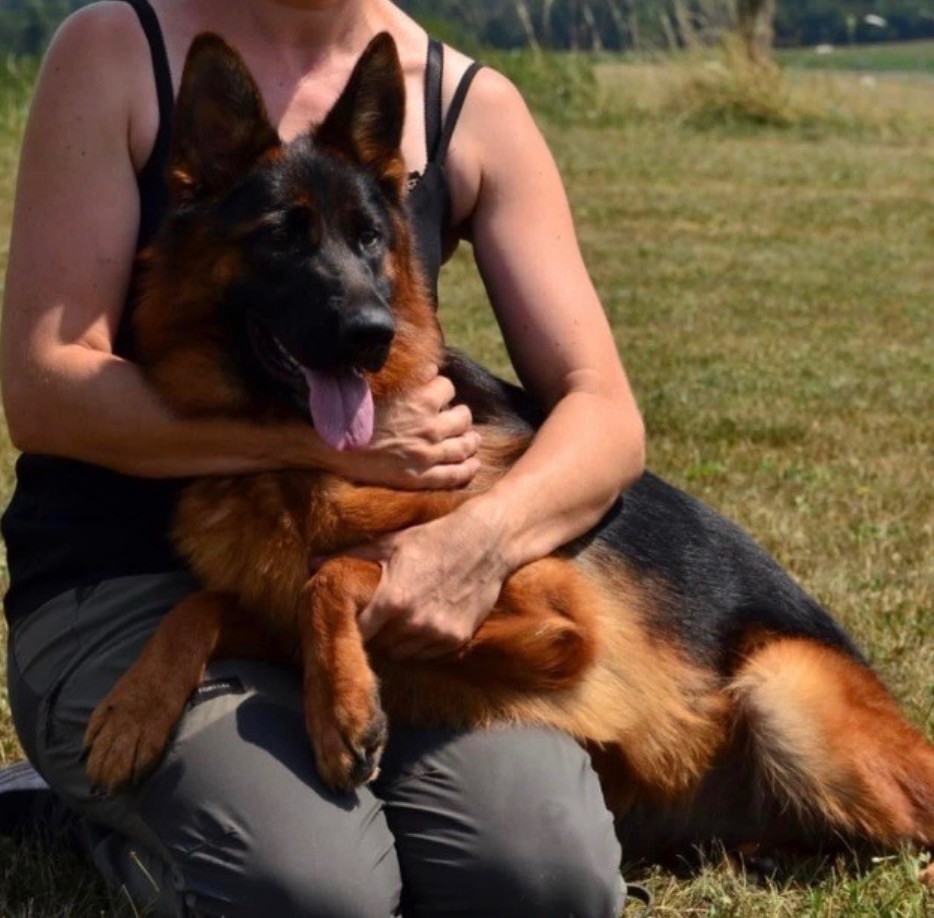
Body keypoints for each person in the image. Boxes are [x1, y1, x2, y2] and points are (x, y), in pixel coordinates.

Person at [0, 0, 646, 915]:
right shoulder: (117, 50)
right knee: (308, 893)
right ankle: (95, 817)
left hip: (373, 595)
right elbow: (44, 387)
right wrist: (321, 437)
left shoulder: (467, 103)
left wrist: (476, 547)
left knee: (544, 879)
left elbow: (605, 410)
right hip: (126, 587)